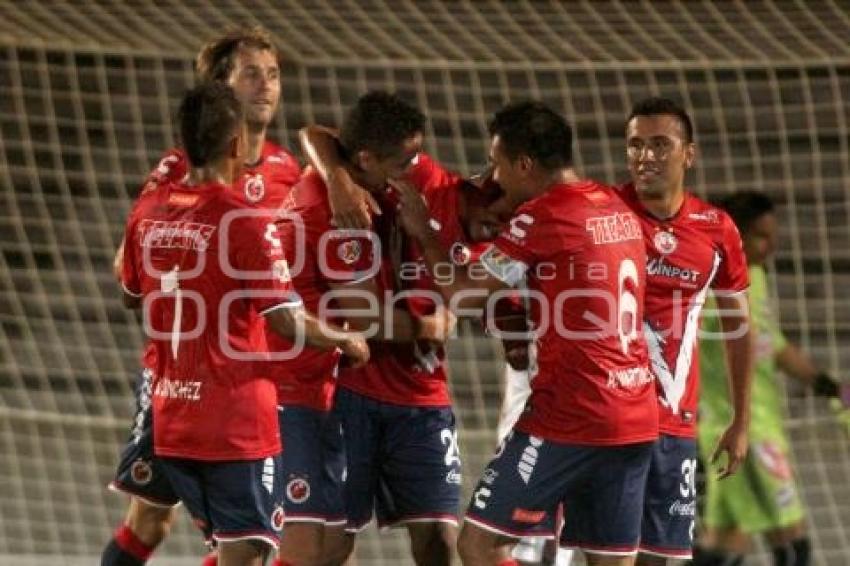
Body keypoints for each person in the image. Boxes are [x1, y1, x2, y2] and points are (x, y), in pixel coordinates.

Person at [396, 100, 658, 566]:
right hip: (635, 414)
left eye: (498, 164)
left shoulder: (545, 216)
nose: (493, 177)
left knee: (479, 544)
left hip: (573, 412)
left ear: (524, 164)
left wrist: (425, 232)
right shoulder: (615, 206)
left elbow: (463, 297)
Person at [120, 82, 368, 566]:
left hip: (172, 416)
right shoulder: (245, 220)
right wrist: (346, 339)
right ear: (236, 144)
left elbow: (131, 293)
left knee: (224, 548)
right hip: (234, 422)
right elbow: (288, 322)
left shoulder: (146, 212)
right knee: (247, 553)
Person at [102, 26, 301, 566]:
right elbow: (130, 262)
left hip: (249, 380)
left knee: (252, 535)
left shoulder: (290, 172)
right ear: (220, 87)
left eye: (274, 74)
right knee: (154, 519)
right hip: (183, 377)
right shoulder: (176, 169)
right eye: (251, 74)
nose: (266, 85)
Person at [297, 92, 466, 566]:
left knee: (439, 539)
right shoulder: (340, 207)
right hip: (351, 390)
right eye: (405, 158)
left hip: (422, 394)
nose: (417, 165)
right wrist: (432, 323)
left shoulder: (422, 180)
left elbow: (314, 132)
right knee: (332, 545)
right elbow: (364, 318)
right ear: (368, 159)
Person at [614, 97, 754, 565]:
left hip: (673, 425)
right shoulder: (602, 213)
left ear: (688, 154)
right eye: (636, 145)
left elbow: (739, 328)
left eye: (660, 144)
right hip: (605, 420)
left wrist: (741, 420)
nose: (645, 156)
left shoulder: (717, 230)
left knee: (658, 558)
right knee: (598, 553)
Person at [694, 191, 850, 566]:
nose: (773, 244)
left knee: (726, 541)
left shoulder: (755, 277)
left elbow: (772, 343)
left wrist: (825, 383)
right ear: (735, 236)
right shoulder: (709, 291)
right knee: (790, 538)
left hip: (756, 427)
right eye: (762, 236)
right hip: (741, 433)